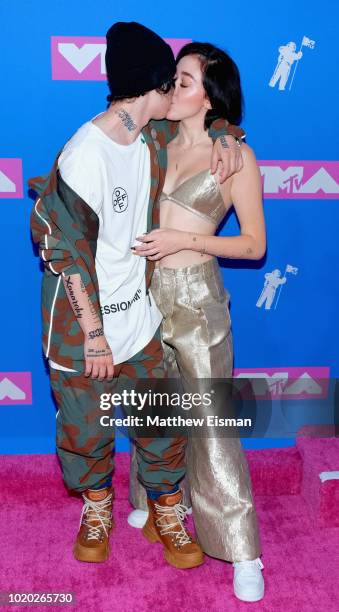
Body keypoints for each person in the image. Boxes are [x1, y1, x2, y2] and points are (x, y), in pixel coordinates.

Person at [29, 24, 243, 568]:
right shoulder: (85, 155)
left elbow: (203, 124)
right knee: (86, 430)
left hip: (141, 322)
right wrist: (96, 337)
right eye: (171, 81)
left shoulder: (149, 138)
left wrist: (224, 129)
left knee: (160, 425)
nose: (176, 91)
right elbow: (67, 255)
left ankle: (168, 511)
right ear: (153, 86)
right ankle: (97, 508)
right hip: (84, 331)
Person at [131, 42, 266, 602]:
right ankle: (159, 499)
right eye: (175, 78)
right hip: (144, 296)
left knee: (212, 426)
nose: (173, 87)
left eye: (184, 81)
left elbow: (254, 244)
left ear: (211, 97)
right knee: (156, 410)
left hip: (196, 298)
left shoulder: (233, 155)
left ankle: (243, 548)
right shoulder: (153, 140)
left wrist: (183, 238)